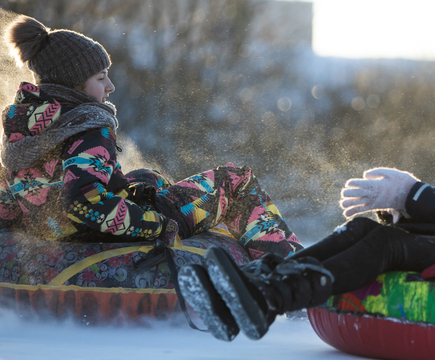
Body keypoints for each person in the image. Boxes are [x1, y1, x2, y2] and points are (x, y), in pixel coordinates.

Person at [180, 32, 435, 341]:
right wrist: (398, 206)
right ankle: (255, 285)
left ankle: (271, 298)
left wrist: (412, 195)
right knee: (363, 229)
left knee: (385, 245)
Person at [0, 15, 302, 294]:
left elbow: (11, 201)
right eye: (101, 77)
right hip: (114, 233)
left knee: (148, 177)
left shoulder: (25, 128)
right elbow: (80, 201)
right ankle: (295, 280)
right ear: (74, 83)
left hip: (62, 232)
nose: (110, 86)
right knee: (236, 182)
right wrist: (157, 225)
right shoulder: (87, 127)